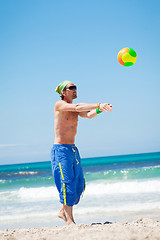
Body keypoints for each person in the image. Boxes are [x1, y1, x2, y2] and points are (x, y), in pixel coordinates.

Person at [51, 80, 113, 225]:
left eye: (76, 87)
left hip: (72, 149)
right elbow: (78, 106)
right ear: (63, 92)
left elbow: (88, 115)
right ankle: (70, 221)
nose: (75, 90)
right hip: (60, 150)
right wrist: (99, 104)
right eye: (71, 88)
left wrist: (100, 109)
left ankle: (62, 211)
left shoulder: (75, 109)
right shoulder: (59, 105)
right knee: (67, 183)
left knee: (79, 184)